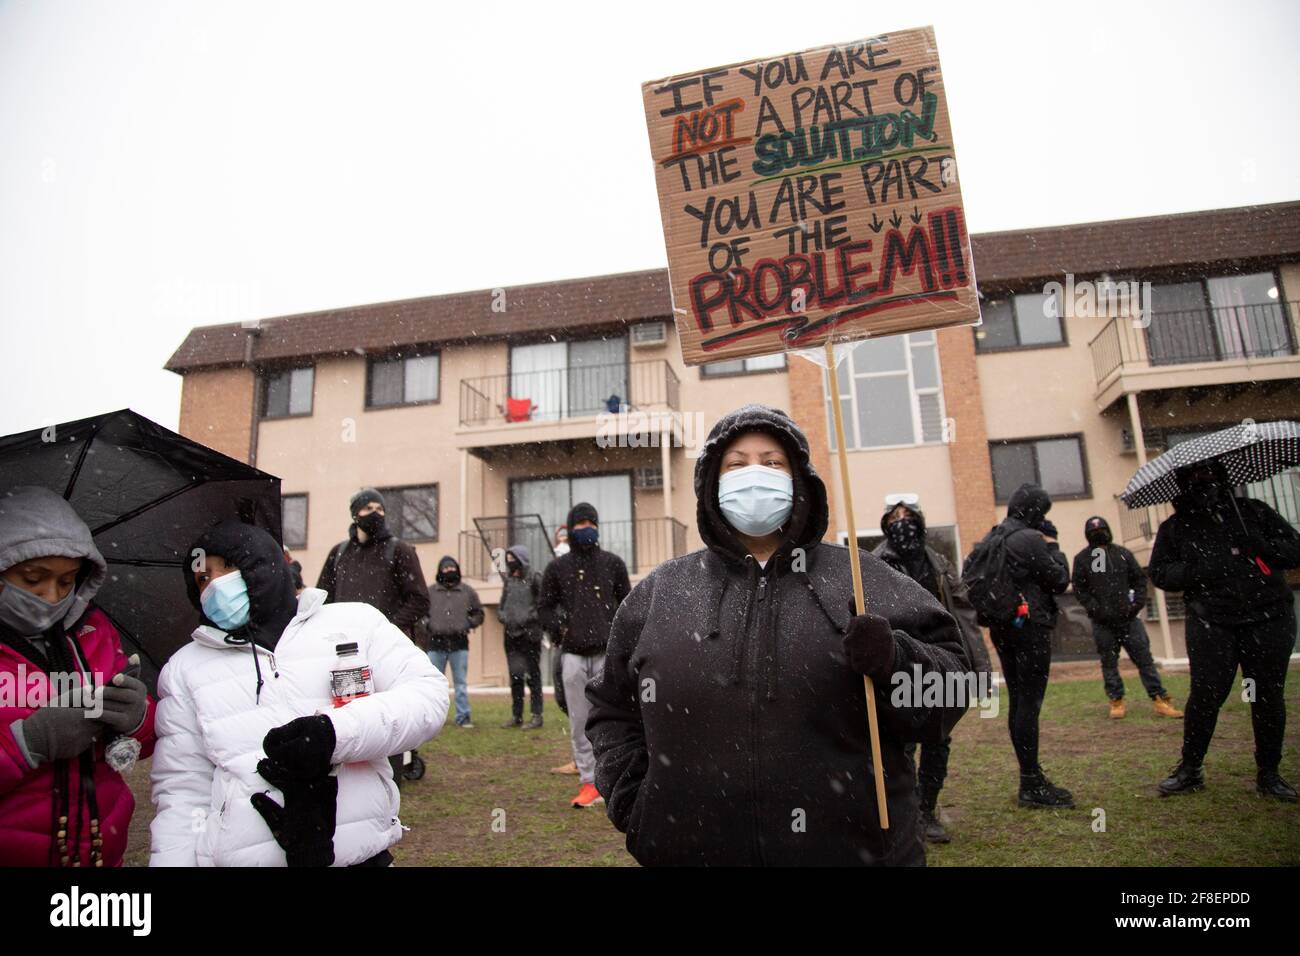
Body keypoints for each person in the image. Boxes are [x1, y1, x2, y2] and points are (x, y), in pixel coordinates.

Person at [586, 405, 970, 865]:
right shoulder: (661, 593)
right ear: (712, 481)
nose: (754, 475)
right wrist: (638, 803)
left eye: (772, 463)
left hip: (855, 854)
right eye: (736, 463)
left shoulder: (864, 577)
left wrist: (896, 659)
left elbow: (954, 686)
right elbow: (611, 707)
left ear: (799, 479)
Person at [150, 520, 448, 866]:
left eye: (227, 567)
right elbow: (182, 791)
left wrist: (334, 734)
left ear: (263, 563)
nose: (215, 586)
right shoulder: (184, 668)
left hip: (359, 857)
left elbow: (428, 696)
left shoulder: (355, 623)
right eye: (203, 579)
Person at [0, 486, 156, 867]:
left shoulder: (94, 629)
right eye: (33, 578)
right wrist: (27, 743)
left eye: (67, 580)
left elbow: (143, 740)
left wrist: (137, 718)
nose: (52, 597)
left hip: (99, 855)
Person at [1150, 461, 1300, 801]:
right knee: (1205, 696)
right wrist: (1199, 571)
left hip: (1268, 616)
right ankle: (1191, 768)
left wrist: (1260, 545)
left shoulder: (1254, 512)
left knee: (1267, 695)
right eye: (1196, 478)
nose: (1206, 484)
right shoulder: (1176, 528)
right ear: (1183, 485)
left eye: (1213, 476)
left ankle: (1269, 772)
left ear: (1225, 479)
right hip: (1212, 621)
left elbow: (1294, 550)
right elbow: (1160, 572)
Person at [873, 493, 992, 844]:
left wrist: (979, 668)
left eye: (908, 516)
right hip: (901, 665)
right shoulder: (877, 563)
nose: (902, 523)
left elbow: (964, 617)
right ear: (885, 525)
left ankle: (927, 809)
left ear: (920, 521)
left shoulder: (938, 562)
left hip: (942, 662)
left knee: (939, 739)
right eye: (894, 518)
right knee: (904, 744)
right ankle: (905, 813)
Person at [316, 488, 430, 783]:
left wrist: (385, 629)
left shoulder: (400, 550)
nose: (375, 513)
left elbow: (419, 599)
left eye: (380, 507)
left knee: (386, 716)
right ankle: (351, 774)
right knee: (349, 711)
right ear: (354, 515)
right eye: (367, 508)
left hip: (385, 652)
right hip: (344, 654)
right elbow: (323, 599)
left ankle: (391, 777)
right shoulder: (339, 553)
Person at [977, 483, 1074, 809]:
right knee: (1028, 704)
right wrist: (1054, 544)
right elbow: (1059, 579)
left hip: (1004, 626)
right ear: (1035, 511)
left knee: (1019, 701)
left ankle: (1029, 777)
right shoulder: (1030, 539)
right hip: (1030, 627)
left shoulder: (994, 537)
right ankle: (1031, 783)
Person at [539, 502, 630, 808]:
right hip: (573, 656)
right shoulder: (557, 567)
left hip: (607, 655)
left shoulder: (613, 564)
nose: (586, 528)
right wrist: (559, 631)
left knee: (614, 718)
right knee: (580, 721)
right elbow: (545, 606)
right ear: (570, 527)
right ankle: (590, 783)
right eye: (580, 524)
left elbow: (627, 604)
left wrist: (620, 638)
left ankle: (616, 778)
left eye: (591, 522)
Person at [1071, 516, 1182, 720]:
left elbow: (1140, 580)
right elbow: (1080, 589)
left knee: (1145, 661)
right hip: (1102, 623)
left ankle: (1159, 699)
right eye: (1094, 531)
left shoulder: (1123, 554)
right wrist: (1096, 609)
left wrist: (1135, 604)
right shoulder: (1082, 559)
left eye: (1101, 529)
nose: (1098, 534)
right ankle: (1116, 701)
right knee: (1109, 663)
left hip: (1129, 620)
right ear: (1087, 535)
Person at [420, 556, 483, 729]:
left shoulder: (467, 592)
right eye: (446, 568)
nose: (449, 571)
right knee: (433, 684)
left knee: (460, 684)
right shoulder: (430, 592)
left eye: (452, 568)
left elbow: (479, 613)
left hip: (459, 644)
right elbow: (421, 614)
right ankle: (431, 719)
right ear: (440, 571)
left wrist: (468, 624)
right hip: (435, 644)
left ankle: (463, 716)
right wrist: (428, 625)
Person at [497, 545, 544, 729]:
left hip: (530, 635)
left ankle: (536, 715)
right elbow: (502, 605)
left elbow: (542, 605)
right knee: (515, 677)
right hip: (510, 635)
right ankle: (517, 715)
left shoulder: (535, 578)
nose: (510, 563)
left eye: (513, 559)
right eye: (508, 560)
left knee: (533, 676)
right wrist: (503, 616)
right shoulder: (508, 581)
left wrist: (527, 618)